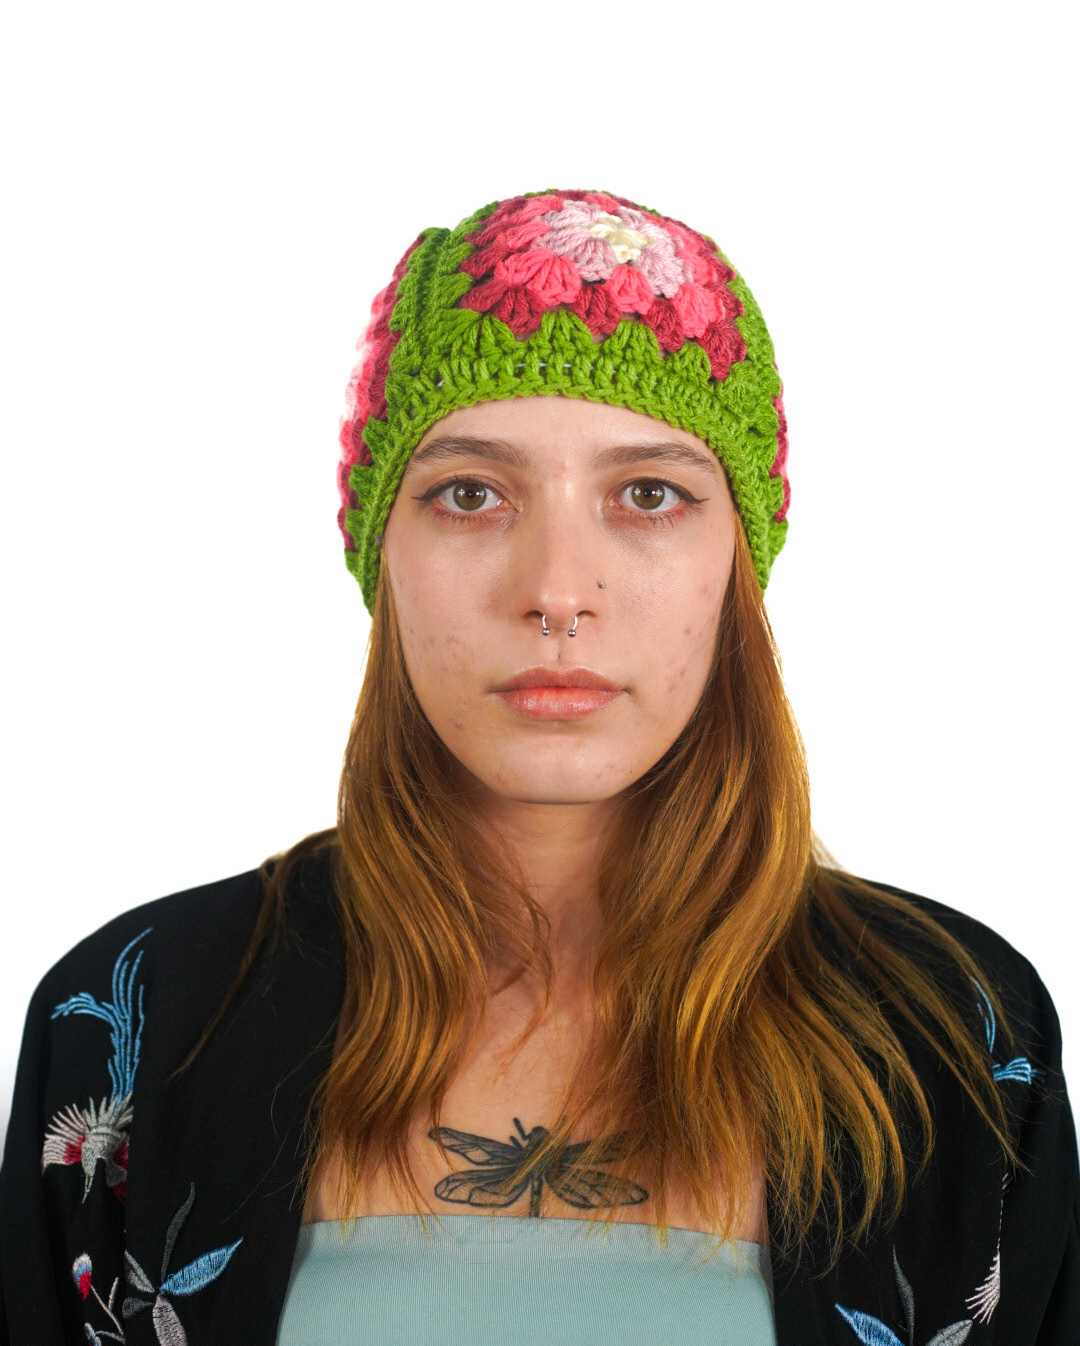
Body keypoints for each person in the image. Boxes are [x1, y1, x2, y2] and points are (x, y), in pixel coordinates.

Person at [0, 186, 1076, 1346]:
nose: (558, 589)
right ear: (382, 548)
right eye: (470, 493)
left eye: (649, 494)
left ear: (737, 559)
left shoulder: (957, 1034)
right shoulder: (136, 1017)